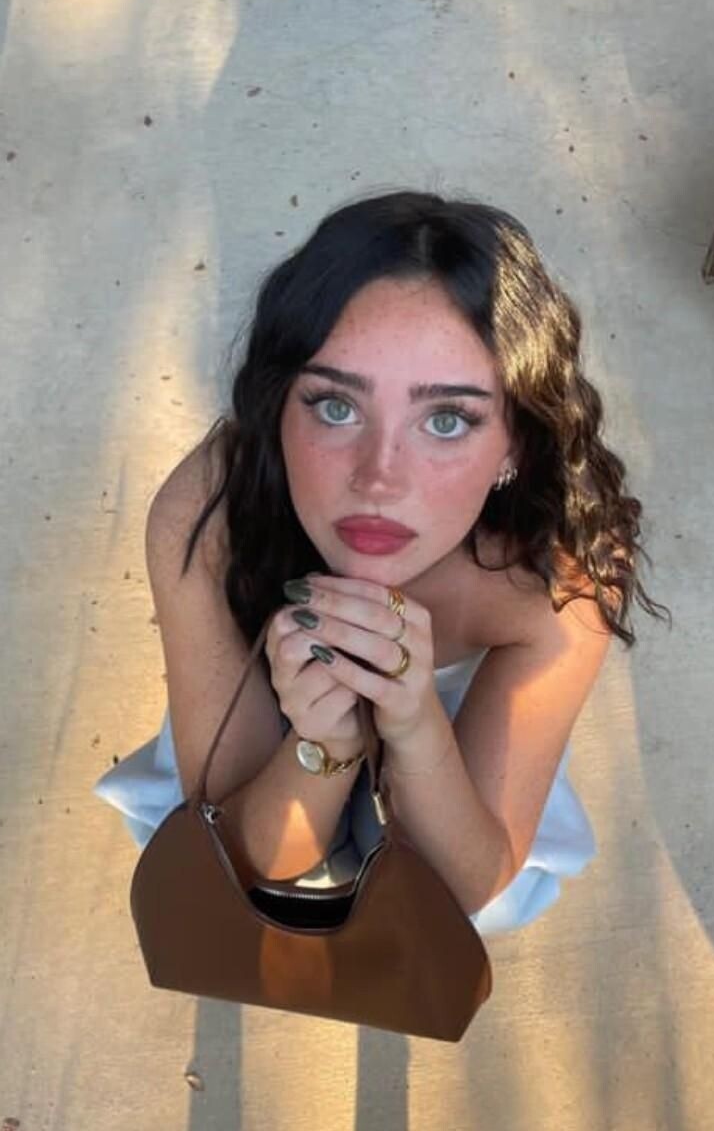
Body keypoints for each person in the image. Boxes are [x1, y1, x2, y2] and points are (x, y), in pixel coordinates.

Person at [93, 190, 669, 937]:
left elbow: (465, 885)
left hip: (450, 767)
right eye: (336, 407)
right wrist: (326, 742)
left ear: (516, 446)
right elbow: (246, 857)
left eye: (446, 419)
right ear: (277, 406)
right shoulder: (209, 515)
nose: (379, 480)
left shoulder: (562, 576)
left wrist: (416, 723)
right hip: (279, 744)